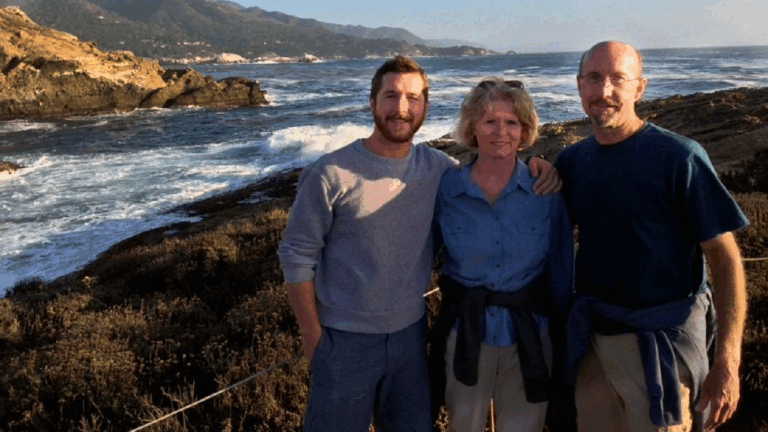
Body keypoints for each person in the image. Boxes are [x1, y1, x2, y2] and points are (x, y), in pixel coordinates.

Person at [277, 56, 561, 432]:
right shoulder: (332, 173)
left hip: (411, 338)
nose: (401, 108)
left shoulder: (439, 168)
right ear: (372, 102)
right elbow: (296, 255)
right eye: (391, 96)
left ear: (425, 106)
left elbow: (494, 170)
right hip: (345, 341)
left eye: (413, 98)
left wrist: (539, 163)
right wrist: (313, 339)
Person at [555, 41, 749, 432]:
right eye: (594, 78)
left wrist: (728, 361)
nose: (604, 90)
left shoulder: (680, 157)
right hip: (594, 344)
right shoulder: (572, 162)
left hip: (663, 351)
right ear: (579, 85)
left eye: (618, 79)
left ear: (639, 88)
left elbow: (726, 259)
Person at [431, 77, 574, 432]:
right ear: (472, 127)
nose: (501, 131)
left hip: (531, 336)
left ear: (525, 131)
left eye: (512, 122)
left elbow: (561, 271)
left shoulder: (546, 191)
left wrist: (564, 339)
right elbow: (422, 255)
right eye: (490, 121)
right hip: (465, 334)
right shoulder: (446, 188)